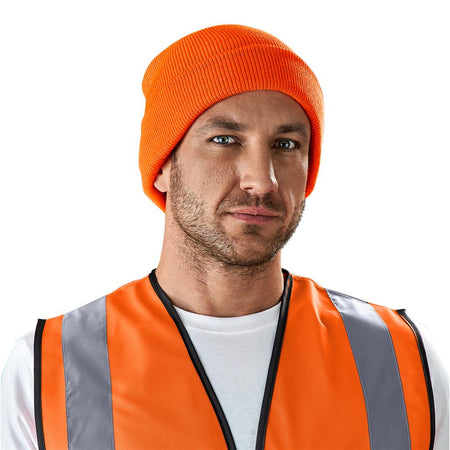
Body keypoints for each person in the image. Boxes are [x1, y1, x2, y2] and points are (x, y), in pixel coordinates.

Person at [0, 24, 448, 450]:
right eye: (224, 139)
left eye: (286, 145)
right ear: (163, 166)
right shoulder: (48, 370)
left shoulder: (401, 358)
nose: (262, 180)